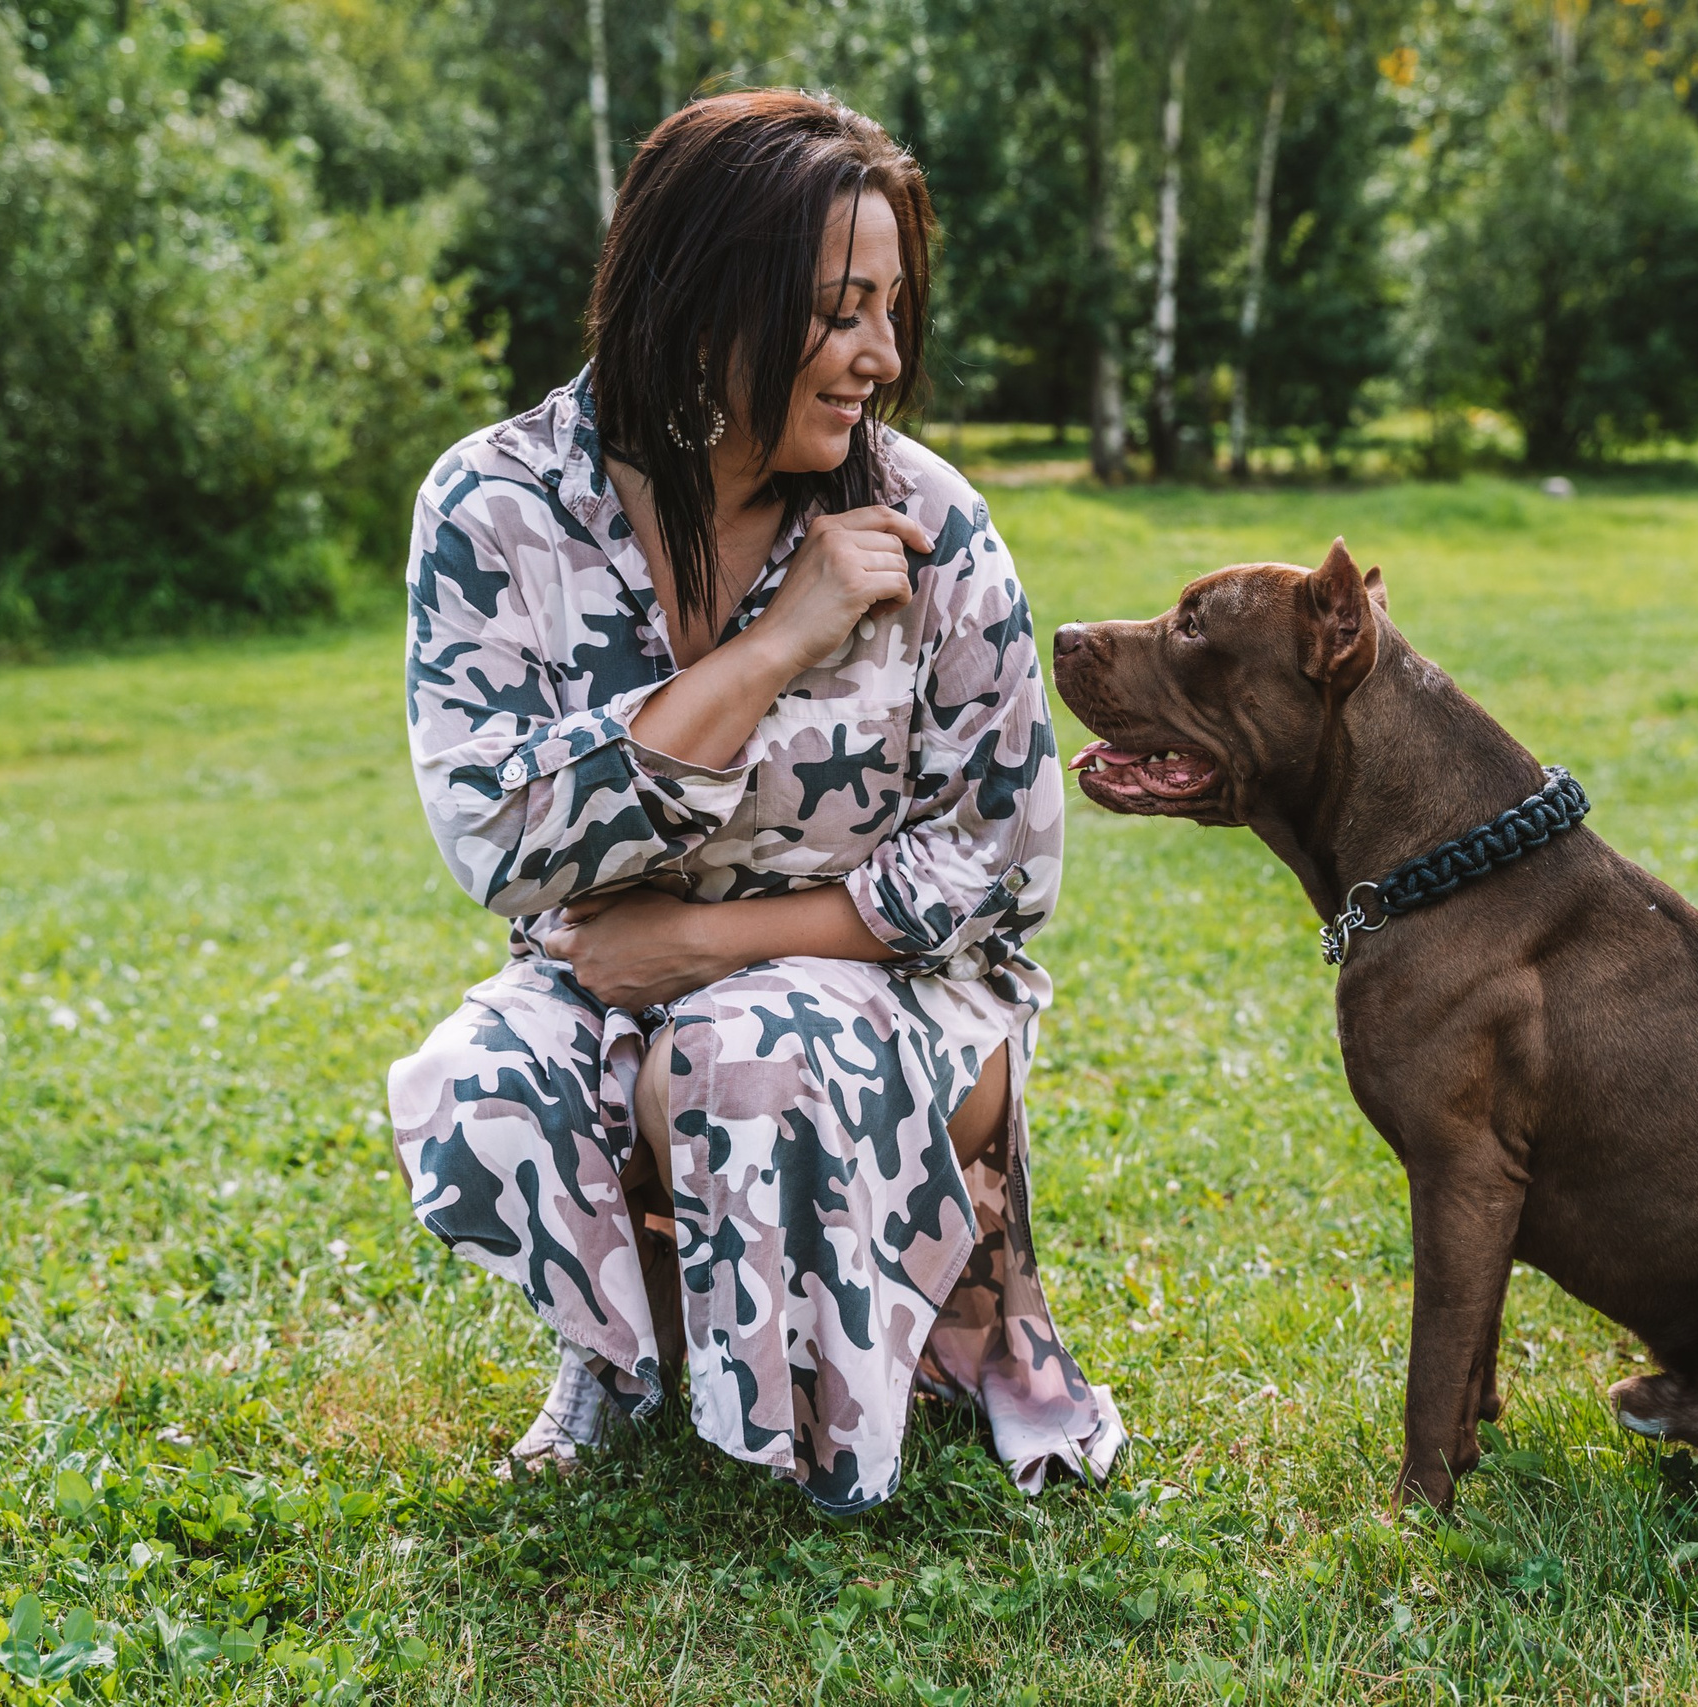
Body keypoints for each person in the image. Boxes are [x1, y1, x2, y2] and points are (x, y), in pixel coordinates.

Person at [385, 90, 1123, 1514]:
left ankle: (833, 1392)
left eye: (892, 309)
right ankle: (629, 1344)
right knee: (480, 1090)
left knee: (741, 1044)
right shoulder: (496, 508)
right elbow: (502, 833)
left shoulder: (931, 520)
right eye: (843, 310)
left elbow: (999, 861)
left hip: (889, 991)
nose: (882, 357)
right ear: (712, 291)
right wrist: (778, 643)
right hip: (601, 987)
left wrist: (709, 944)